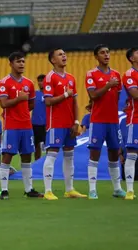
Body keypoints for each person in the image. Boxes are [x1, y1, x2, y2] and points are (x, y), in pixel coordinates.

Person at [0, 51, 43, 200]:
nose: (21, 64)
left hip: (26, 126)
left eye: (23, 61)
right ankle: (4, 190)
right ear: (11, 64)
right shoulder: (4, 82)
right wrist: (18, 100)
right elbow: (3, 104)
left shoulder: (29, 83)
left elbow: (31, 104)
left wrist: (21, 109)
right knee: (7, 156)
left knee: (26, 156)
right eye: (18, 61)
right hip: (11, 126)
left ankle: (28, 189)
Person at [42, 48, 86, 200]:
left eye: (64, 54)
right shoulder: (50, 77)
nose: (64, 56)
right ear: (53, 60)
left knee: (69, 156)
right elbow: (48, 101)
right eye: (60, 54)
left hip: (69, 123)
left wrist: (76, 121)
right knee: (52, 154)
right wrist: (65, 94)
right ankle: (48, 191)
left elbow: (75, 102)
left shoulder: (71, 78)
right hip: (56, 123)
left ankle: (70, 189)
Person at [85, 44, 125, 199]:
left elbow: (118, 97)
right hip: (98, 120)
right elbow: (93, 95)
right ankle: (92, 189)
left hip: (113, 121)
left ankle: (117, 189)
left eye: (108, 52)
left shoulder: (116, 74)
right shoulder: (91, 74)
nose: (106, 55)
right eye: (102, 53)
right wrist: (108, 85)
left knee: (114, 153)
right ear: (96, 56)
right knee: (94, 152)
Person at [121, 47, 138, 199]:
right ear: (132, 58)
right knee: (132, 154)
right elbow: (135, 94)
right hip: (136, 119)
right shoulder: (129, 74)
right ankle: (130, 190)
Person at [32, 74, 46, 160]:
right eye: (39, 81)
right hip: (34, 124)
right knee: (36, 146)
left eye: (42, 81)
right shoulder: (34, 94)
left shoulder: (51, 94)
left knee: (49, 147)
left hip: (46, 124)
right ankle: (37, 164)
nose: (40, 83)